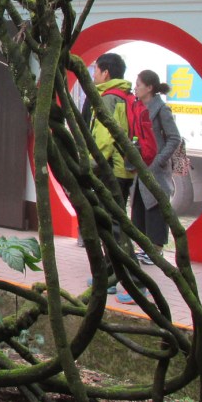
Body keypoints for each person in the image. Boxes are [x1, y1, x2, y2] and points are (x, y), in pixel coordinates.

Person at [83, 53, 137, 297]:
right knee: (109, 223)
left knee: (115, 226)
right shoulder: (124, 95)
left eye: (96, 69)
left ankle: (136, 282)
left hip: (111, 171)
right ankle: (110, 275)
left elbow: (104, 141)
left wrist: (89, 166)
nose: (93, 74)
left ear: (106, 73)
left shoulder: (108, 99)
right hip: (122, 169)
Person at [130, 69, 183, 267]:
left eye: (138, 84)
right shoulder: (138, 107)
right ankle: (145, 247)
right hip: (141, 166)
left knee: (155, 207)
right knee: (139, 207)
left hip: (156, 169)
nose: (135, 88)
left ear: (149, 87)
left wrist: (159, 160)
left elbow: (174, 138)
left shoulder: (161, 110)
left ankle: (156, 249)